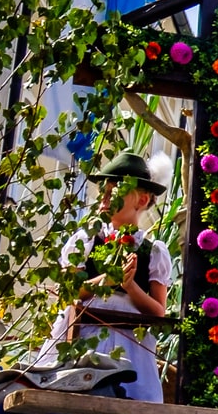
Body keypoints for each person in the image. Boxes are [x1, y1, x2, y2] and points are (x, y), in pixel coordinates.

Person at [37, 152, 173, 401]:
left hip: (131, 347)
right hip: (85, 338)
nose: (105, 197)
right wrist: (105, 281)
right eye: (104, 190)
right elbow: (69, 291)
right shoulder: (86, 240)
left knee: (133, 401)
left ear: (141, 200)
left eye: (115, 191)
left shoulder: (152, 251)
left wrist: (131, 287)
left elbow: (158, 311)